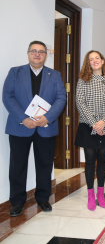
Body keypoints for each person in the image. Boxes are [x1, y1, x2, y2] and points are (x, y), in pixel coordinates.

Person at [3, 41, 66, 217]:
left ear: (46, 55)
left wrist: (47, 117)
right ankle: (17, 202)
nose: (37, 54)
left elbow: (61, 98)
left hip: (46, 127)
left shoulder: (55, 75)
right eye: (34, 51)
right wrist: (24, 119)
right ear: (28, 53)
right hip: (20, 127)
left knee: (45, 164)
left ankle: (43, 198)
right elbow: (7, 97)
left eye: (41, 52)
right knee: (17, 166)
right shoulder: (15, 72)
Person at [75, 50, 105, 211]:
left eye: (97, 58)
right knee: (90, 160)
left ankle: (101, 194)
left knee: (102, 159)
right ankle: (90, 195)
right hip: (88, 125)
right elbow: (80, 103)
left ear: (103, 61)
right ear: (88, 63)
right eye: (91, 59)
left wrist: (103, 122)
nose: (94, 61)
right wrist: (94, 123)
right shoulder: (83, 80)